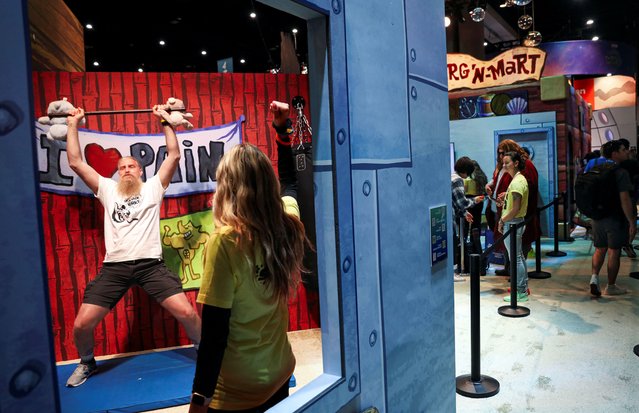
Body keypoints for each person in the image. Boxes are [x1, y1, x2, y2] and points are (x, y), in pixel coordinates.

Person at [64, 105, 202, 387]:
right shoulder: (107, 189)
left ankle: (205, 351)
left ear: (140, 170)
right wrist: (73, 123)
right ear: (117, 174)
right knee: (81, 325)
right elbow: (77, 162)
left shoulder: (153, 187)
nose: (126, 170)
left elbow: (174, 154)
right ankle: (87, 362)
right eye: (121, 168)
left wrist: (164, 119)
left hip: (151, 266)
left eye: (131, 166)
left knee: (188, 313)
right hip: (114, 269)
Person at [188, 101, 309, 412]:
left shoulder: (226, 242)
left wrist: (199, 398)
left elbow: (214, 334)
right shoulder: (286, 221)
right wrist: (282, 130)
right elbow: (292, 184)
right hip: (280, 373)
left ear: (228, 188)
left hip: (237, 391)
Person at [486, 139, 539, 277]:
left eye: (503, 153)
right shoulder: (505, 166)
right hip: (505, 211)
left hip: (516, 215)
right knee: (509, 247)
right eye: (499, 154)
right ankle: (511, 271)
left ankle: (517, 281)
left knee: (519, 252)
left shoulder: (524, 168)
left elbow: (525, 189)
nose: (500, 157)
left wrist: (507, 196)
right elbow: (499, 180)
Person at [589, 139, 636, 296]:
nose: (626, 152)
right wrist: (632, 221)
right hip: (614, 218)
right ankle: (611, 286)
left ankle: (594, 279)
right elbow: (625, 199)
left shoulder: (596, 169)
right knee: (614, 251)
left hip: (597, 217)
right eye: (623, 150)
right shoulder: (620, 172)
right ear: (615, 153)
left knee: (599, 249)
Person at [497, 151, 529, 302]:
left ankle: (520, 291)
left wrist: (502, 220)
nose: (504, 165)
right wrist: (507, 196)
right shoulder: (518, 179)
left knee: (515, 258)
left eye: (507, 162)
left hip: (513, 223)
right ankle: (522, 288)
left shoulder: (517, 182)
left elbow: (515, 209)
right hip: (516, 222)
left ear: (516, 163)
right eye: (503, 163)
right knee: (518, 257)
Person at [452, 157, 484, 281]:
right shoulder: (457, 180)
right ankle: (453, 273)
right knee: (453, 243)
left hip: (453, 215)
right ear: (466, 170)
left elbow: (455, 201)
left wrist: (464, 213)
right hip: (450, 218)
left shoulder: (452, 177)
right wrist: (475, 200)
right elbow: (462, 202)